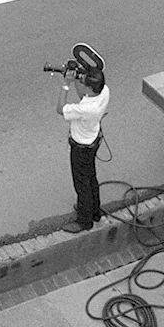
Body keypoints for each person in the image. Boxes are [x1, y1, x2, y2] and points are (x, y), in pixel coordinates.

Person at [57, 66, 110, 233]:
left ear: (89, 88)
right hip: (93, 141)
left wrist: (66, 84)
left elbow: (60, 109)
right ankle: (95, 212)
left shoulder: (86, 108)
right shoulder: (104, 92)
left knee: (82, 185)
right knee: (91, 178)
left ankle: (84, 221)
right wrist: (77, 80)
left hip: (81, 148)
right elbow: (83, 94)